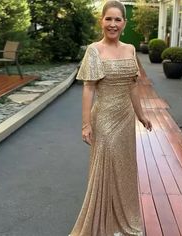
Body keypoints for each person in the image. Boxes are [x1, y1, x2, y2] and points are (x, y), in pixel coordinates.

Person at [69, 1, 152, 235]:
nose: (113, 24)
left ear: (124, 23)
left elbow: (133, 86)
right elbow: (88, 88)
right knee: (106, 168)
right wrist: (86, 124)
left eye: (118, 20)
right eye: (109, 19)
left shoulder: (130, 49)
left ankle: (120, 221)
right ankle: (102, 224)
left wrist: (141, 114)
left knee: (124, 169)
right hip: (104, 119)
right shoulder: (94, 50)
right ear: (101, 21)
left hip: (126, 119)